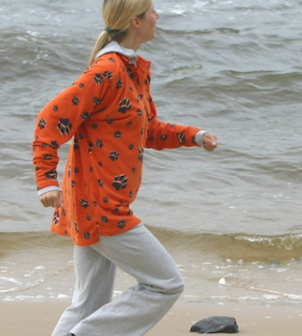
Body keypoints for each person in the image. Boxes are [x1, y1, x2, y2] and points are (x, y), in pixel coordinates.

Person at [31, 1, 218, 335]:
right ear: (135, 21)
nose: (157, 16)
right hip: (100, 205)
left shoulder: (133, 70)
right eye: (151, 11)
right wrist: (46, 180)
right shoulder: (108, 71)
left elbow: (145, 131)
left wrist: (193, 136)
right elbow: (50, 119)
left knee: (89, 304)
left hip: (97, 199)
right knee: (165, 284)